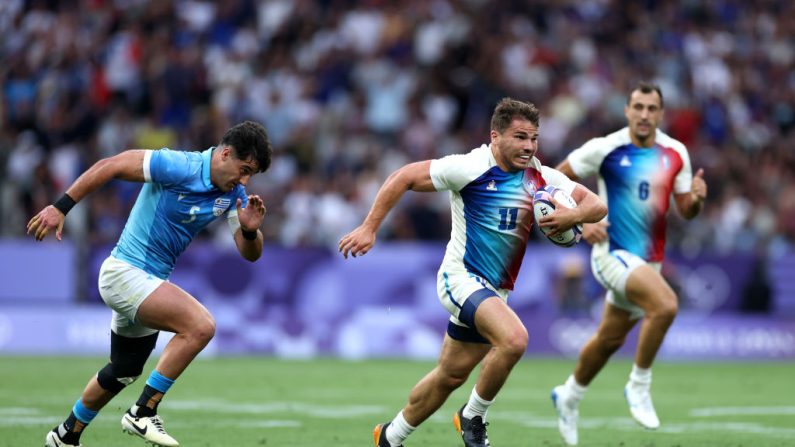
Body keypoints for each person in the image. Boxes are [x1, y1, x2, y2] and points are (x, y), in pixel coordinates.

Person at [339, 98, 607, 447]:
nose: (529, 146)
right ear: (495, 136)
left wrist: (572, 217)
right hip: (460, 278)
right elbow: (403, 177)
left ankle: (390, 436)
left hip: (494, 292)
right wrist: (369, 228)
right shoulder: (470, 167)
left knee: (450, 376)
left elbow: (596, 205)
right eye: (520, 137)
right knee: (514, 339)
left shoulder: (542, 178)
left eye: (534, 138)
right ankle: (473, 415)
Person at [28, 121, 272, 447]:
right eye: (243, 169)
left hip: (146, 281)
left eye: (250, 175)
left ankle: (65, 436)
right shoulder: (178, 165)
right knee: (201, 326)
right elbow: (110, 165)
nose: (244, 180)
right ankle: (143, 411)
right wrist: (61, 208)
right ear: (225, 153)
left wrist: (250, 231)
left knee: (124, 369)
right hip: (125, 273)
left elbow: (249, 254)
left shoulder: (233, 195)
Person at [550, 81, 708, 446]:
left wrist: (697, 200)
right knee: (666, 305)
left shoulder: (675, 153)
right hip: (611, 252)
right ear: (626, 110)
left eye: (652, 109)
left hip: (647, 262)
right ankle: (639, 385)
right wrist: (582, 220)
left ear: (660, 114)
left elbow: (687, 211)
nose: (644, 115)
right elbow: (554, 180)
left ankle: (569, 395)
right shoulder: (605, 148)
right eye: (638, 107)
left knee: (608, 339)